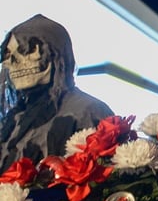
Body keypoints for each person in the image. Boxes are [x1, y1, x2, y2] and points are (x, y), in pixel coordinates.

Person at [0, 14, 113, 172]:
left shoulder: (89, 110)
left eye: (30, 49)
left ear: (56, 52)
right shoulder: (14, 119)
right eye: (7, 54)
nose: (13, 61)